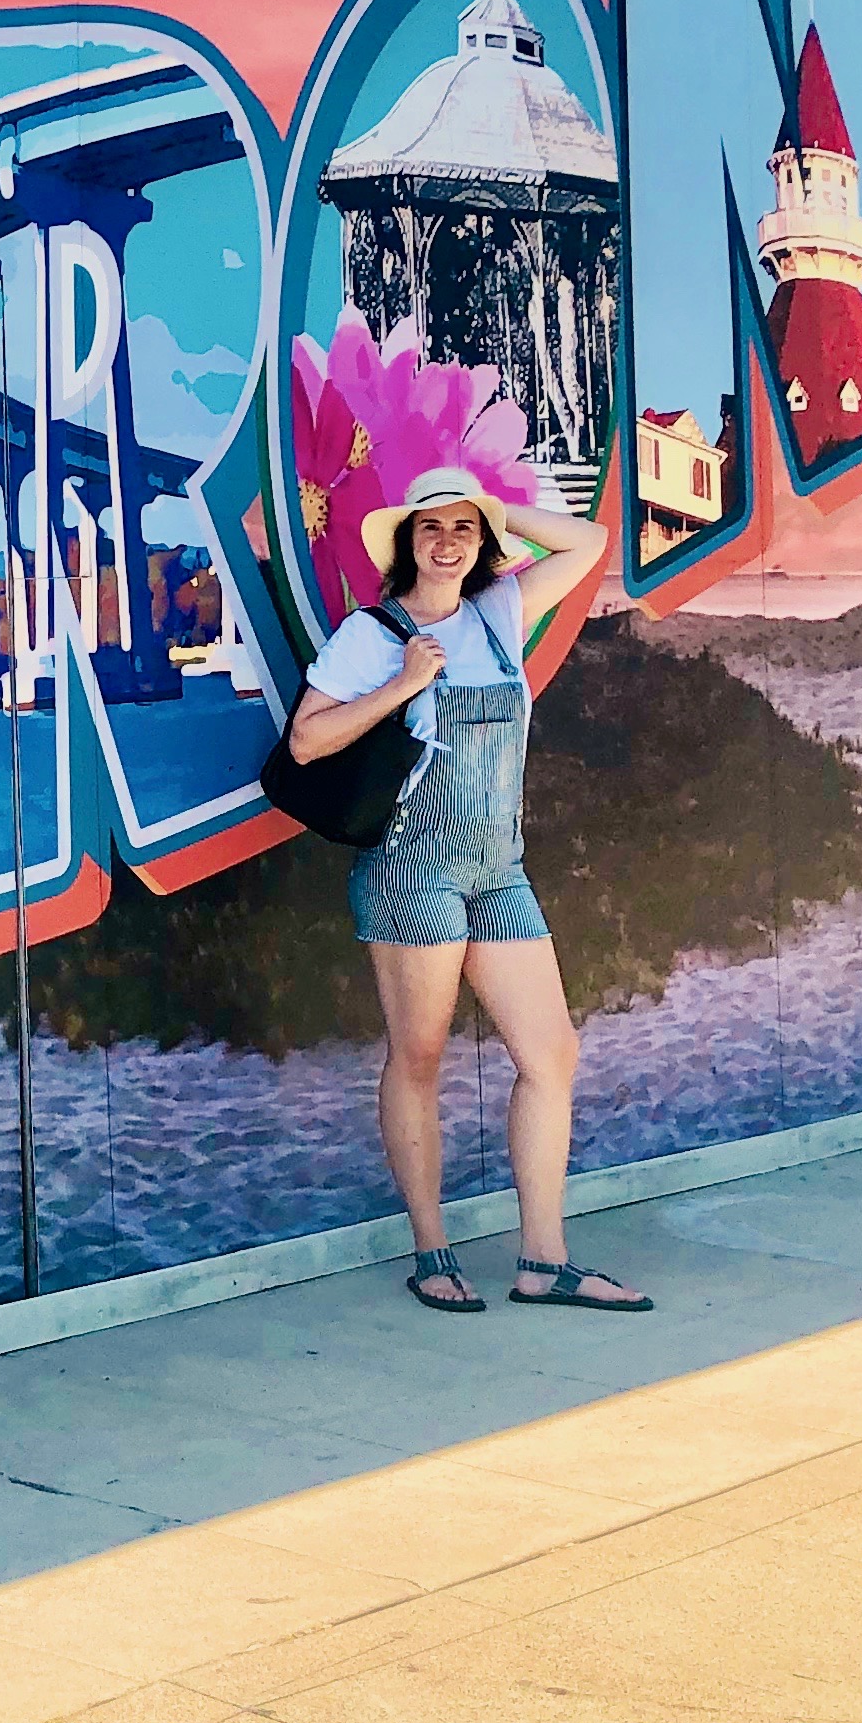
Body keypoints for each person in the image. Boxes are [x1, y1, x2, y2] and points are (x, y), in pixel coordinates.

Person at [282, 465, 641, 1313]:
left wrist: (497, 507)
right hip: (413, 869)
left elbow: (588, 542)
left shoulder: (499, 611)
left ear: (482, 543)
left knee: (550, 1056)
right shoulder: (370, 633)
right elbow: (304, 742)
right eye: (430, 527)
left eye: (463, 529)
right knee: (421, 1058)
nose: (446, 542)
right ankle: (431, 1248)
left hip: (498, 868)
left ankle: (543, 1262)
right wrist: (403, 683)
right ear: (406, 543)